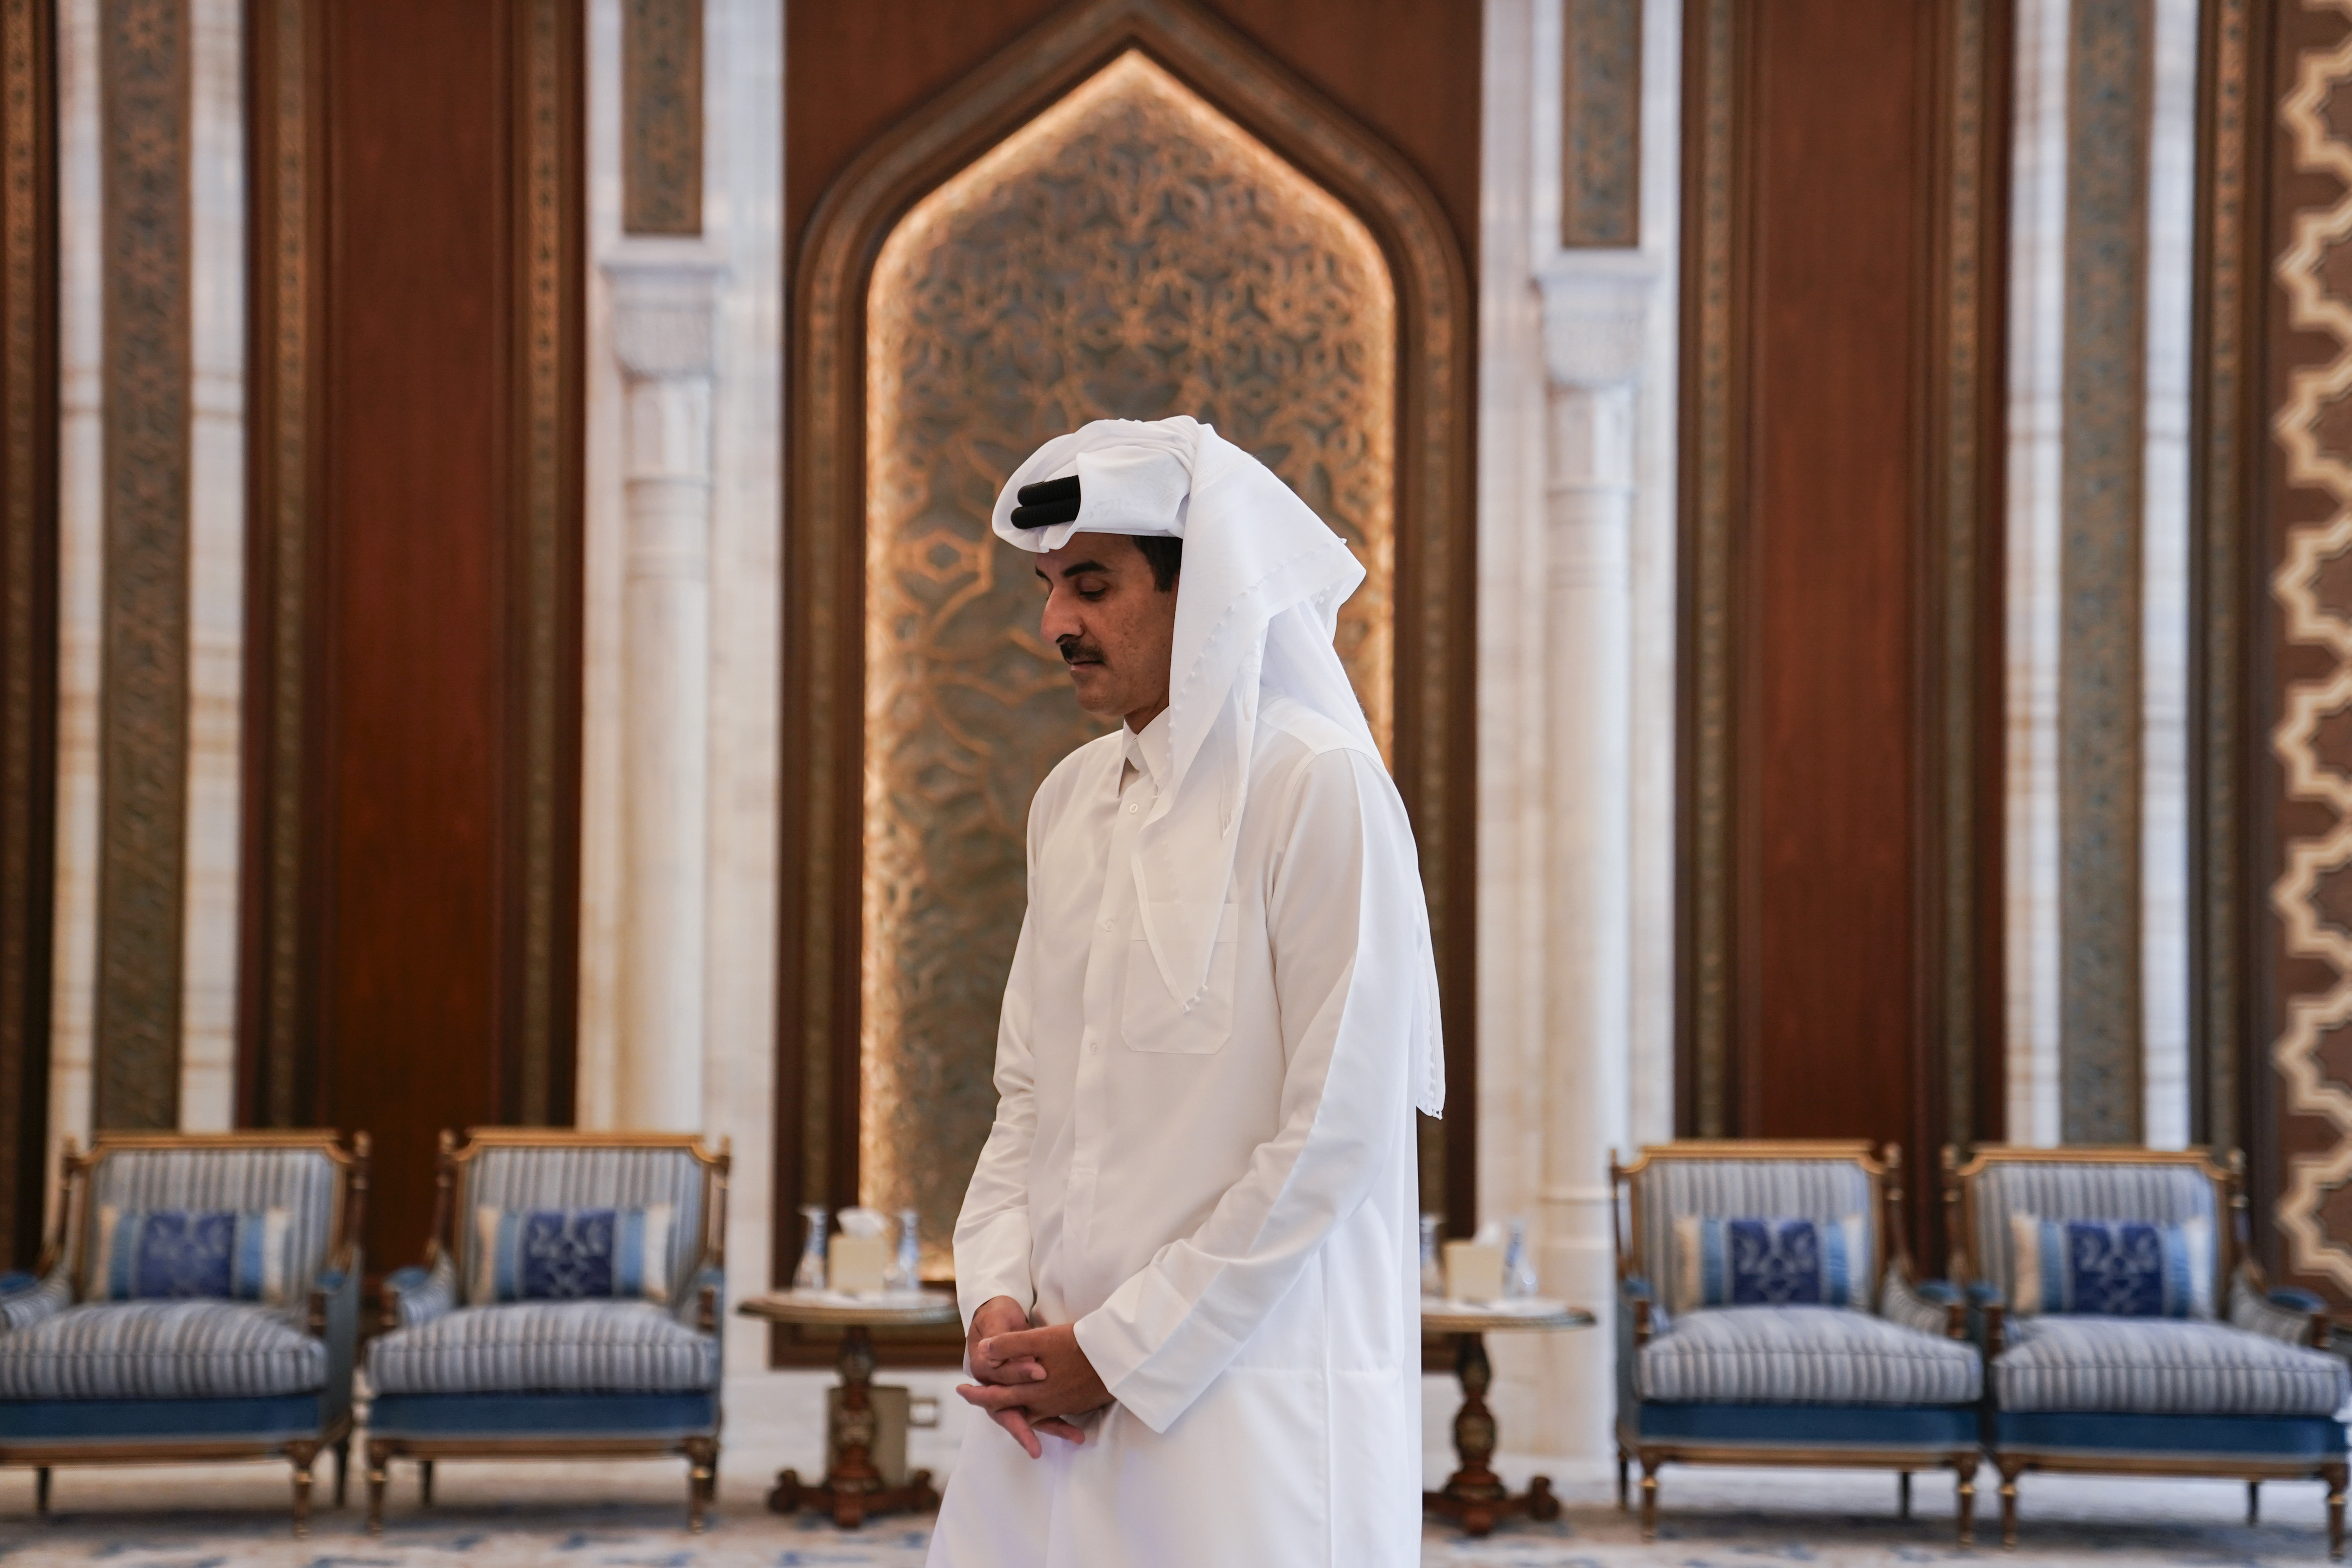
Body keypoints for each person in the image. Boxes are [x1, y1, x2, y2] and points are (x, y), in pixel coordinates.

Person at [922, 416, 1444, 1568]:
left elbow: (1336, 1132)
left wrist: (1122, 1350)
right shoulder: (1067, 801)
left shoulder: (1317, 785)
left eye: (1092, 585)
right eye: (1051, 585)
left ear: (1200, 586)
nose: (1055, 622)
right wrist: (997, 1302)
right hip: (1046, 1407)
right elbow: (1025, 1097)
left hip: (1245, 1407)